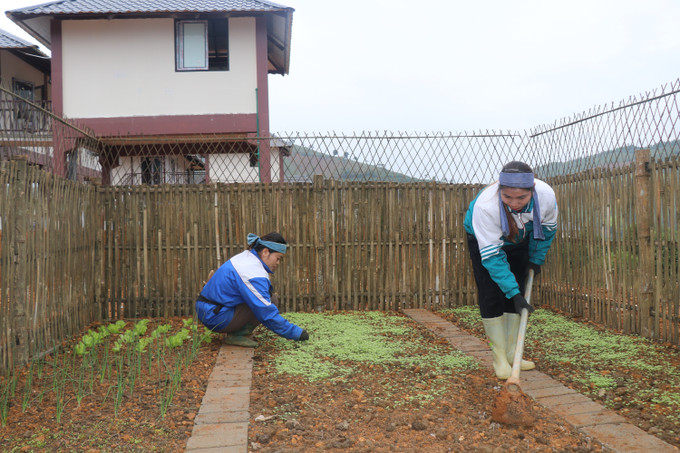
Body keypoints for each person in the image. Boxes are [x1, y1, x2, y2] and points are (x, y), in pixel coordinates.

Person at [464, 161, 558, 379]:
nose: (515, 203)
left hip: (519, 237)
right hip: (483, 240)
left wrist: (536, 259)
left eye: (522, 198)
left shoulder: (545, 197)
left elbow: (546, 230)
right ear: (499, 190)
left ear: (532, 191)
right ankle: (499, 359)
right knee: (491, 292)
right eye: (508, 198)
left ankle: (511, 354)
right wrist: (514, 293)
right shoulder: (485, 207)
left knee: (517, 283)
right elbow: (492, 257)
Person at [195, 232, 309, 347]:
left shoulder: (248, 258)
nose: (278, 263)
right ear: (265, 252)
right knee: (266, 302)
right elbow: (266, 312)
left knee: (270, 298)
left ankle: (238, 332)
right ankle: (236, 335)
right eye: (278, 258)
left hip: (212, 309)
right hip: (214, 316)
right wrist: (296, 333)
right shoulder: (252, 272)